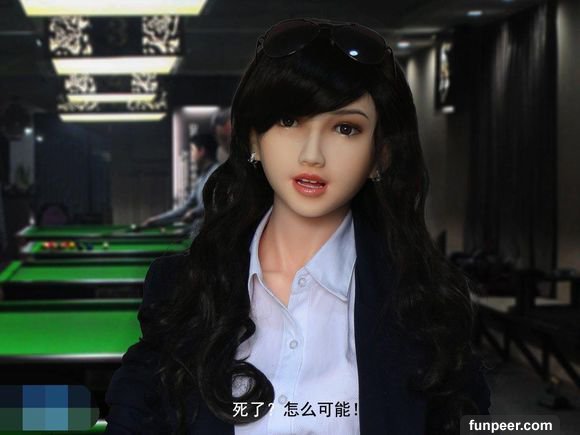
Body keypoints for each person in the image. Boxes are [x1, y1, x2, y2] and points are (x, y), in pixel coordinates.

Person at [105, 18, 490, 434]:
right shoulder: (181, 287)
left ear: (380, 155)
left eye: (345, 128)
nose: (312, 155)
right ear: (254, 138)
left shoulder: (428, 302)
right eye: (289, 121)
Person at [141, 133, 220, 231]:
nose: (191, 155)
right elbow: (186, 207)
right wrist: (157, 220)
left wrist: (194, 213)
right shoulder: (201, 178)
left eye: (192, 150)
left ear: (201, 151)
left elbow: (215, 203)